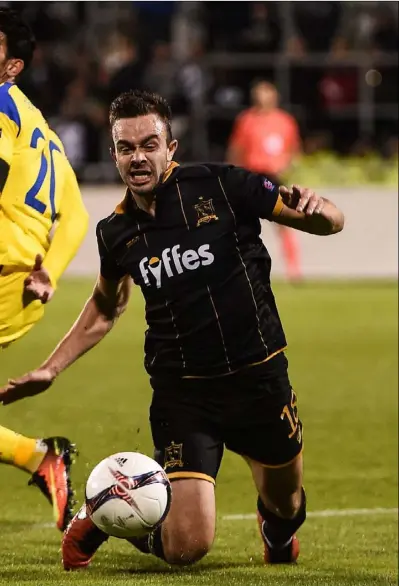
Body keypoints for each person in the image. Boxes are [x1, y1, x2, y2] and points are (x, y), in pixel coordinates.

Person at [0, 90, 344, 569]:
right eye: (125, 148)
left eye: (148, 144)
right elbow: (105, 307)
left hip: (259, 377)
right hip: (184, 393)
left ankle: (278, 535)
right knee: (187, 547)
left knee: (287, 506)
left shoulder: (223, 185)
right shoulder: (115, 232)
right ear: (114, 153)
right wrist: (50, 369)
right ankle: (100, 515)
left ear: (171, 147)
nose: (137, 157)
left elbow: (330, 222)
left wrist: (320, 207)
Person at [0, 8, 89, 531]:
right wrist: (51, 271)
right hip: (22, 282)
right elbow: (75, 214)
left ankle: (40, 458)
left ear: (11, 67)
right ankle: (39, 458)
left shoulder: (2, 105)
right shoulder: (43, 130)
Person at [227, 80, 302, 282]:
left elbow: (293, 150)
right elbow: (236, 149)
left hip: (273, 177)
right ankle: (237, 268)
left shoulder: (284, 121)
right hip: (252, 176)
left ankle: (293, 268)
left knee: (284, 221)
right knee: (240, 223)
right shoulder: (247, 120)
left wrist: (287, 165)